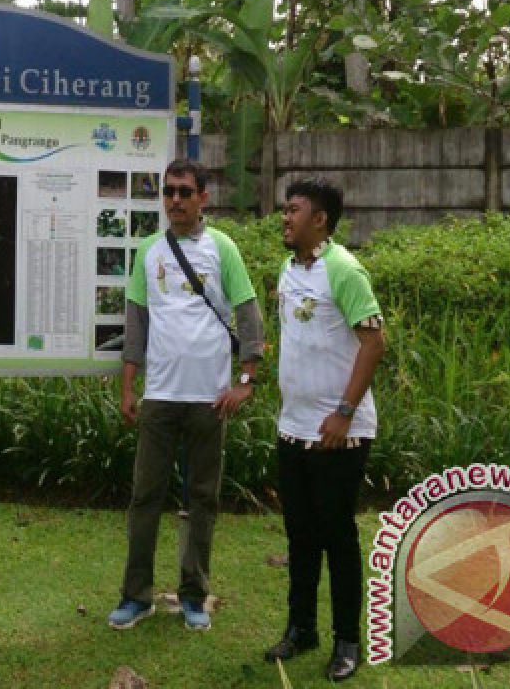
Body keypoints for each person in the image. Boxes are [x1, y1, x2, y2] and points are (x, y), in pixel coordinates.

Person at [108, 159, 265, 632]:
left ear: (203, 198)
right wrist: (129, 387)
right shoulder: (149, 252)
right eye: (169, 192)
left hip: (209, 398)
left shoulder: (223, 249)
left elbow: (248, 312)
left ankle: (194, 594)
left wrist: (247, 379)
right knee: (144, 497)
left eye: (184, 192)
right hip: (160, 396)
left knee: (202, 498)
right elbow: (136, 322)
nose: (175, 200)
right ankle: (136, 597)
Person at [264, 177, 386, 682]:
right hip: (293, 428)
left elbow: (374, 343)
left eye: (294, 210)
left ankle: (347, 642)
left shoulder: (345, 270)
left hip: (341, 431)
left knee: (337, 536)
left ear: (320, 219)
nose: (285, 218)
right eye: (285, 210)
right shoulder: (289, 270)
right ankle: (301, 629)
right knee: (300, 535)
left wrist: (343, 412)